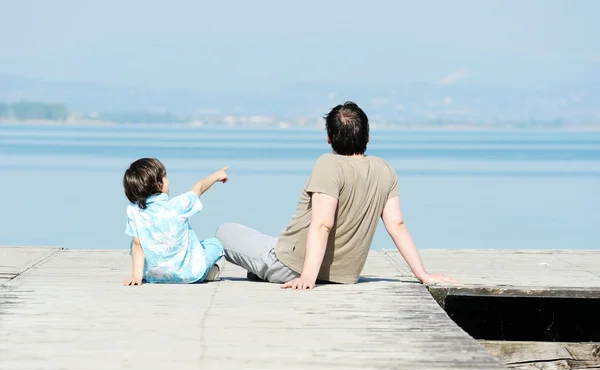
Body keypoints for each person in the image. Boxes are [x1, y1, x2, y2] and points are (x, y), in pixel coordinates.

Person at [216, 101, 455, 290]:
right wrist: (423, 274)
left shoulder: (328, 165)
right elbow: (398, 225)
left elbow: (323, 224)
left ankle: (263, 270)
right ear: (367, 137)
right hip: (345, 276)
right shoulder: (385, 169)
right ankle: (261, 270)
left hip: (291, 265)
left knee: (224, 232)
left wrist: (307, 277)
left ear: (329, 138)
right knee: (268, 241)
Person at [122, 158, 229, 286]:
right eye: (165, 176)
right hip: (190, 274)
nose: (168, 180)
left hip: (154, 275)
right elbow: (199, 187)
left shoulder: (134, 210)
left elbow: (137, 246)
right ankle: (209, 271)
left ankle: (144, 273)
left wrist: (136, 277)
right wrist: (217, 175)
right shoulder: (178, 205)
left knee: (136, 242)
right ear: (159, 184)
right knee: (214, 244)